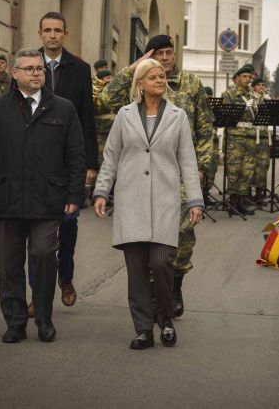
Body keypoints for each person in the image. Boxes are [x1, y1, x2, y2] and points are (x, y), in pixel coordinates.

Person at [0, 48, 86, 343]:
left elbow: (75, 155)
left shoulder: (63, 108)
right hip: (6, 197)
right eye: (30, 68)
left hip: (48, 199)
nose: (36, 73)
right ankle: (15, 322)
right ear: (15, 73)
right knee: (9, 265)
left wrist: (75, 194)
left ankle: (44, 318)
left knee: (44, 254)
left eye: (40, 68)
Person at [100, 34, 214, 318]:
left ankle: (174, 286)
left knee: (181, 235)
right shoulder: (137, 82)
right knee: (144, 240)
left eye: (168, 53)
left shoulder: (191, 84)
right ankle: (153, 294)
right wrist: (134, 67)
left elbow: (205, 129)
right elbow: (106, 99)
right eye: (158, 53)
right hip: (142, 176)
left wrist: (202, 168)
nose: (164, 58)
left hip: (179, 172)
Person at [31, 11, 98, 312]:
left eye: (58, 30)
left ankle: (66, 276)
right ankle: (37, 295)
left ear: (65, 34)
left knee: (68, 223)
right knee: (35, 229)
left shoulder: (80, 69)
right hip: (35, 160)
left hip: (69, 161)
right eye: (47, 30)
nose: (52, 35)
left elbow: (87, 117)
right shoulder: (28, 64)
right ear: (40, 34)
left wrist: (90, 164)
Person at [221, 65, 262, 214]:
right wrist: (243, 108)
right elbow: (225, 114)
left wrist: (259, 103)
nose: (247, 79)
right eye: (244, 76)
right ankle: (232, 202)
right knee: (234, 169)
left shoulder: (253, 94)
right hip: (235, 136)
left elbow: (260, 115)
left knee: (248, 170)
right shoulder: (229, 93)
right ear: (237, 78)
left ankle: (241, 201)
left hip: (250, 135)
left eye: (250, 77)